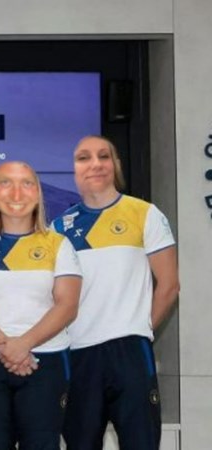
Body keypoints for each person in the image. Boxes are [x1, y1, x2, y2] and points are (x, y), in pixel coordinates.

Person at [54, 135, 179, 450]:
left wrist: (140, 330)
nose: (95, 164)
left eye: (104, 156)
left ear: (116, 165)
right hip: (77, 353)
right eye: (84, 157)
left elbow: (169, 285)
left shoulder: (145, 213)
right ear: (73, 169)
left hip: (130, 352)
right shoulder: (58, 229)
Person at [0, 161, 82, 449]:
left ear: (38, 193)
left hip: (46, 361)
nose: (16, 192)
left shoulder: (59, 244)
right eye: (5, 183)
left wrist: (24, 345)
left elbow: (67, 306)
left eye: (26, 183)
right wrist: (8, 348)